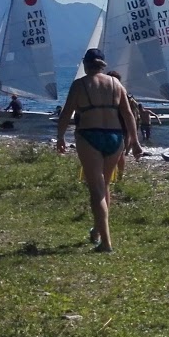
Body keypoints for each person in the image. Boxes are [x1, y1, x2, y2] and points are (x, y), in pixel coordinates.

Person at [56, 47, 143, 252]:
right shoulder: (116, 84)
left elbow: (67, 112)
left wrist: (60, 136)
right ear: (103, 65)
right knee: (105, 186)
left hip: (89, 135)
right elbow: (129, 114)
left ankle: (106, 242)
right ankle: (97, 230)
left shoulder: (80, 84)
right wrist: (136, 142)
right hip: (115, 137)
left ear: (86, 65)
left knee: (96, 189)